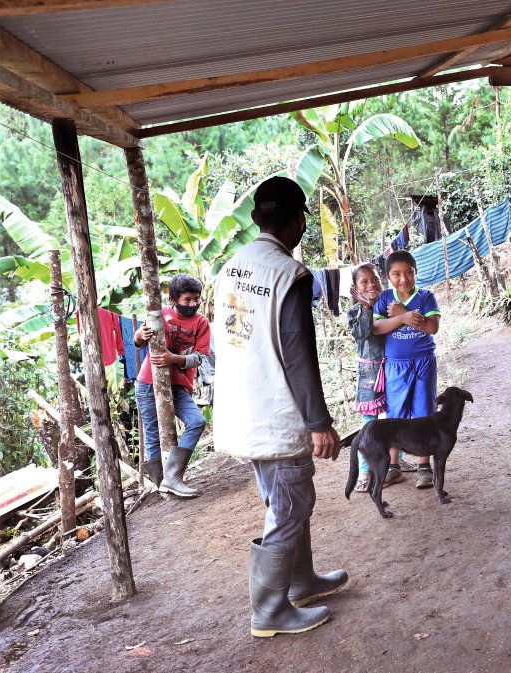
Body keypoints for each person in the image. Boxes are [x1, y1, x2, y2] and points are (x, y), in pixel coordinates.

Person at [212, 176, 348, 638]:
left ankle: (301, 580)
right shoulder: (288, 273)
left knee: (286, 500)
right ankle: (269, 611)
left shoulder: (230, 266)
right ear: (298, 222)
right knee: (290, 505)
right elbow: (297, 353)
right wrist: (319, 423)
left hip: (242, 409)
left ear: (254, 219)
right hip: (276, 411)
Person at [133, 273, 210, 498]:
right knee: (153, 432)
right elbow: (139, 342)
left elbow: (198, 357)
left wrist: (173, 359)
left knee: (197, 421)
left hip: (179, 385)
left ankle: (173, 478)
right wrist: (139, 335)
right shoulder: (160, 315)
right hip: (148, 382)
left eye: (196, 299)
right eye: (187, 300)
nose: (193, 304)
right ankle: (161, 486)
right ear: (173, 300)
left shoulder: (201, 323)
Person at [371, 250, 440, 490]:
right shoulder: (384, 298)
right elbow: (377, 327)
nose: (403, 279)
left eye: (409, 272)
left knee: (424, 412)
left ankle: (424, 467)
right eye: (396, 274)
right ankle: (393, 467)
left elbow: (432, 327)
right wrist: (403, 318)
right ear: (388, 276)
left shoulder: (426, 297)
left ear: (415, 272)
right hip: (395, 366)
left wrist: (404, 314)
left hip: (423, 362)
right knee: (395, 416)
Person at [347, 262, 386, 493]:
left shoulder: (387, 303)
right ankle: (364, 470)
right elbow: (363, 332)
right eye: (364, 281)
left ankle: (393, 463)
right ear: (355, 288)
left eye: (375, 279)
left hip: (391, 368)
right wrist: (365, 306)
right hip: (369, 373)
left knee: (393, 418)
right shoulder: (354, 312)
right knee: (369, 424)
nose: (372, 284)